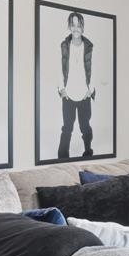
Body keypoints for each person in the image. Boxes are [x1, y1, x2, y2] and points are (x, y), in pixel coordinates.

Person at [57, 11, 95, 158]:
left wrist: (90, 90)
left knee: (85, 126)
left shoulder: (90, 47)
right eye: (73, 25)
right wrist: (62, 89)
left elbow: (96, 67)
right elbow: (58, 68)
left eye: (78, 25)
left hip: (84, 93)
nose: (76, 28)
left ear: (82, 27)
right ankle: (62, 156)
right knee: (67, 127)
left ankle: (88, 152)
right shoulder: (64, 46)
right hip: (68, 94)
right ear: (69, 26)